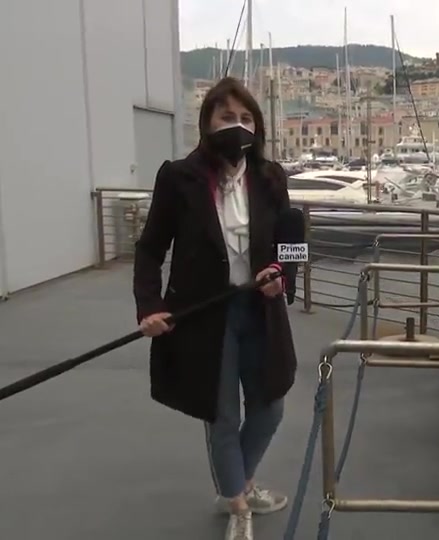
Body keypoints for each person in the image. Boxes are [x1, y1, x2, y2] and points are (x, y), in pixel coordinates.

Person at [132, 77, 299, 540]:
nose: (238, 126)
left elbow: (290, 245)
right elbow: (149, 251)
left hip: (260, 313)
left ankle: (234, 484)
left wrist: (283, 278)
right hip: (204, 316)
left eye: (246, 118)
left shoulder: (271, 177)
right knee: (222, 413)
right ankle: (240, 504)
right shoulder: (178, 178)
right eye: (228, 117)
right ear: (206, 122)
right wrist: (149, 306)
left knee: (270, 408)